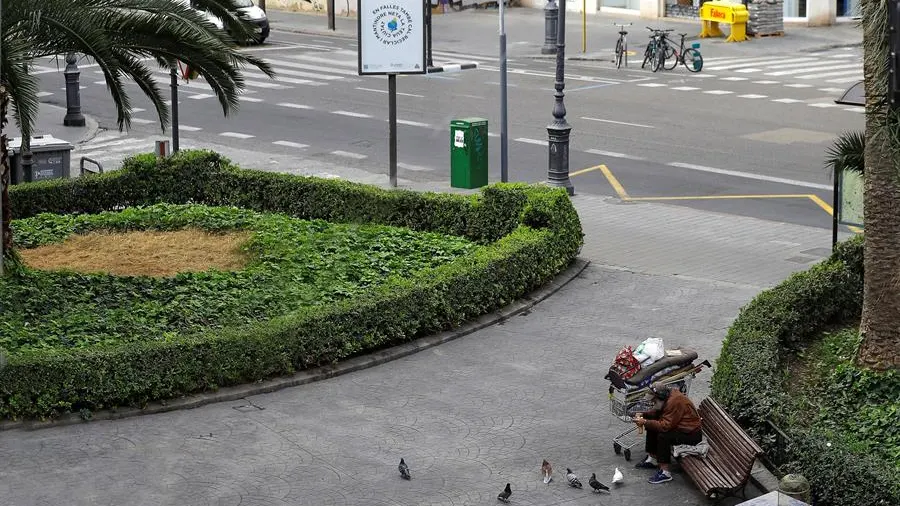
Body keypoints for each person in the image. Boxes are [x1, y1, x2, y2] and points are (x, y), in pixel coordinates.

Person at [633, 381, 703, 484]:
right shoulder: (667, 398)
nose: (652, 402)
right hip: (679, 428)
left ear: (660, 397)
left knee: (663, 435)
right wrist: (644, 415)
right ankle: (652, 459)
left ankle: (665, 472)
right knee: (652, 425)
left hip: (691, 434)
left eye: (654, 399)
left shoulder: (674, 402)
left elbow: (665, 426)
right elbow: (658, 412)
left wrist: (645, 421)